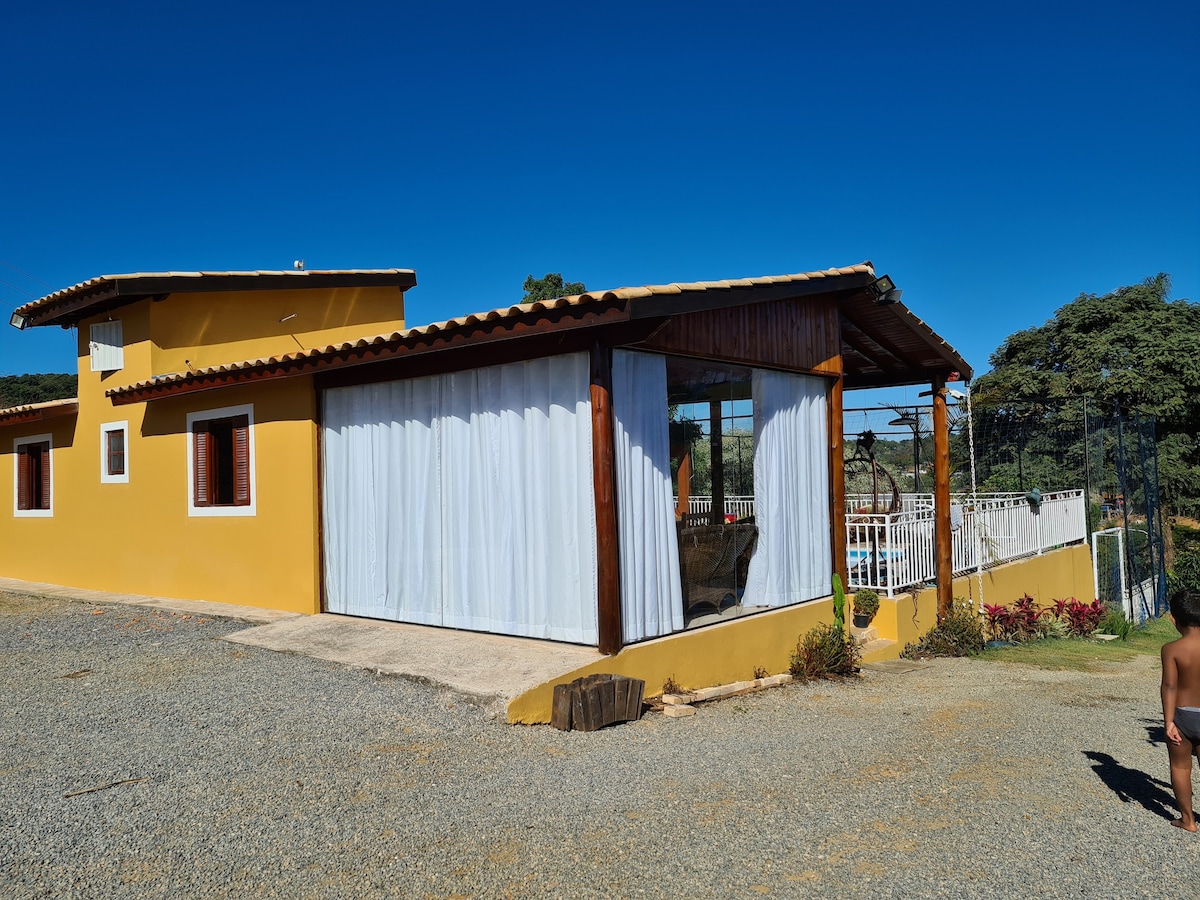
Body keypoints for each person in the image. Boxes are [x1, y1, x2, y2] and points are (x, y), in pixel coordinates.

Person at [1161, 589, 1200, 832]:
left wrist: (1168, 722)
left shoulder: (1171, 649)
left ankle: (1188, 820)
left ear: (1174, 619)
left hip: (1183, 715)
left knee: (1180, 767)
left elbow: (1169, 685)